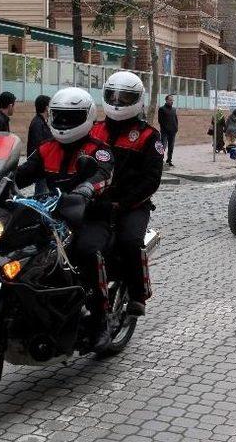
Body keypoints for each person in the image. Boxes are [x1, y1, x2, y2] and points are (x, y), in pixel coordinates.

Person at [15, 87, 114, 352]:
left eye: (72, 117)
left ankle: (101, 318)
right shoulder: (46, 149)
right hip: (51, 217)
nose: (64, 122)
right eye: (60, 116)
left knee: (87, 250)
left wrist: (85, 190)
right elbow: (21, 174)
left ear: (87, 116)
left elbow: (102, 175)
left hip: (91, 217)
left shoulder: (98, 150)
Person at [90, 71, 163, 317]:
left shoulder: (148, 136)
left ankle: (137, 293)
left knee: (129, 241)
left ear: (138, 100)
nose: (118, 103)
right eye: (114, 96)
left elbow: (151, 180)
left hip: (130, 205)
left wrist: (123, 203)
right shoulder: (94, 129)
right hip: (94, 202)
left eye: (125, 98)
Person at [27, 95, 53, 195]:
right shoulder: (38, 124)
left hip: (43, 167)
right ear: (47, 108)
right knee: (41, 194)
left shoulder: (41, 122)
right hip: (40, 168)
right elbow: (39, 146)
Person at [158, 94, 178, 167]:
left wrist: (176, 128)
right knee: (163, 146)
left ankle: (169, 160)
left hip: (173, 131)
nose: (172, 101)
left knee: (171, 146)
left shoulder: (174, 109)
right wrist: (166, 128)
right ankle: (160, 160)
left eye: (172, 100)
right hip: (165, 132)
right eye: (170, 100)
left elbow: (175, 119)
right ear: (166, 100)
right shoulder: (162, 109)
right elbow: (160, 121)